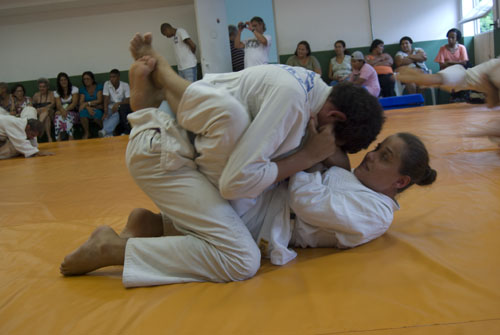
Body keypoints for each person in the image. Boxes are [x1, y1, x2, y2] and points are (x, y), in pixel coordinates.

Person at [59, 32, 384, 287]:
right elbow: (234, 183)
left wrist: (322, 155)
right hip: (164, 155)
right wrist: (308, 156)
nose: (329, 150)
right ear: (335, 115)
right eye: (333, 142)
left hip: (181, 144)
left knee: (250, 194)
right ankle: (113, 249)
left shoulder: (313, 89)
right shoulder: (293, 105)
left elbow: (336, 160)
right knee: (240, 258)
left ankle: (153, 226)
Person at [396, 57, 500, 107]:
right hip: (461, 76)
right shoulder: (493, 72)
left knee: (427, 80)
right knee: (428, 80)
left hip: (461, 75)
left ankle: (410, 73)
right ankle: (406, 74)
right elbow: (492, 102)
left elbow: (492, 102)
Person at [99, 69, 130, 137]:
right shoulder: (107, 84)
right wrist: (105, 112)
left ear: (118, 77)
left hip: (121, 107)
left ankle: (105, 131)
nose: (111, 79)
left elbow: (128, 99)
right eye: (110, 77)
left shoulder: (125, 85)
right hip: (110, 107)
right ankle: (108, 134)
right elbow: (106, 98)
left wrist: (118, 103)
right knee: (106, 117)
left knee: (117, 115)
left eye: (114, 77)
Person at [54, 72, 79, 141]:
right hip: (62, 112)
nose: (63, 81)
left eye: (65, 79)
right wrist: (62, 111)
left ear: (68, 80)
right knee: (57, 118)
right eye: (61, 80)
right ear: (59, 82)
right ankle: (58, 140)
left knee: (68, 117)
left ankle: (71, 139)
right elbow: (58, 105)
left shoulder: (74, 89)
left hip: (74, 113)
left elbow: (74, 103)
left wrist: (64, 111)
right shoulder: (57, 92)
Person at [79, 71, 103, 139]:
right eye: (84, 79)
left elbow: (99, 100)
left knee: (96, 115)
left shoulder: (98, 87)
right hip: (87, 109)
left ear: (92, 79)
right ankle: (87, 132)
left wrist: (87, 103)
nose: (86, 81)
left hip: (98, 107)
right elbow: (81, 103)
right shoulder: (82, 90)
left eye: (88, 79)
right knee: (82, 112)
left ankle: (105, 129)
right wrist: (87, 107)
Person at [32, 78, 55, 142]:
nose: (42, 88)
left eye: (44, 87)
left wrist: (44, 109)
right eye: (40, 87)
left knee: (46, 111)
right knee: (46, 118)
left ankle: (38, 125)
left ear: (47, 87)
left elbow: (53, 104)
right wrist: (38, 110)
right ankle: (49, 138)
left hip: (51, 113)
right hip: (39, 115)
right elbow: (32, 106)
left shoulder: (52, 94)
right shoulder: (36, 95)